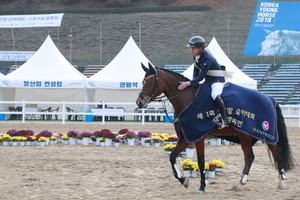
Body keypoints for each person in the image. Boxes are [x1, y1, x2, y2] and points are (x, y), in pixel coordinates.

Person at [178, 36, 228, 128]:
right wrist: (193, 83)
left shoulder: (207, 59)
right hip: (208, 80)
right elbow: (196, 70)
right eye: (191, 48)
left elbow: (201, 77)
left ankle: (225, 119)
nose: (191, 50)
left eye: (193, 48)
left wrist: (188, 83)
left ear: (200, 48)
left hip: (217, 80)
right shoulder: (196, 56)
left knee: (214, 95)